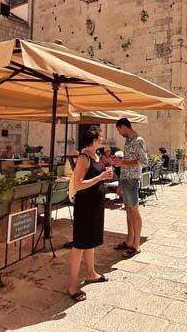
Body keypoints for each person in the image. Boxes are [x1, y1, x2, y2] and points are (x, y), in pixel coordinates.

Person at [67, 126, 113, 302]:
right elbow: (78, 184)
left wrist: (105, 175)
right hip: (85, 206)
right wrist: (100, 177)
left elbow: (97, 176)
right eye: (100, 137)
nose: (103, 139)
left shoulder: (97, 156)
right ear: (93, 140)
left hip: (95, 205)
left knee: (90, 241)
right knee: (80, 245)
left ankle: (91, 273)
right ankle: (73, 286)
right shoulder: (83, 158)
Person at [112, 118, 148, 257]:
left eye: (119, 130)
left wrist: (123, 163)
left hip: (132, 180)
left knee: (134, 211)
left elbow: (143, 162)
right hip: (126, 180)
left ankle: (136, 245)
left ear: (124, 127)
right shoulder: (128, 141)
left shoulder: (139, 140)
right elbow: (126, 162)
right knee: (128, 211)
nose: (119, 133)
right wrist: (120, 182)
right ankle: (129, 241)